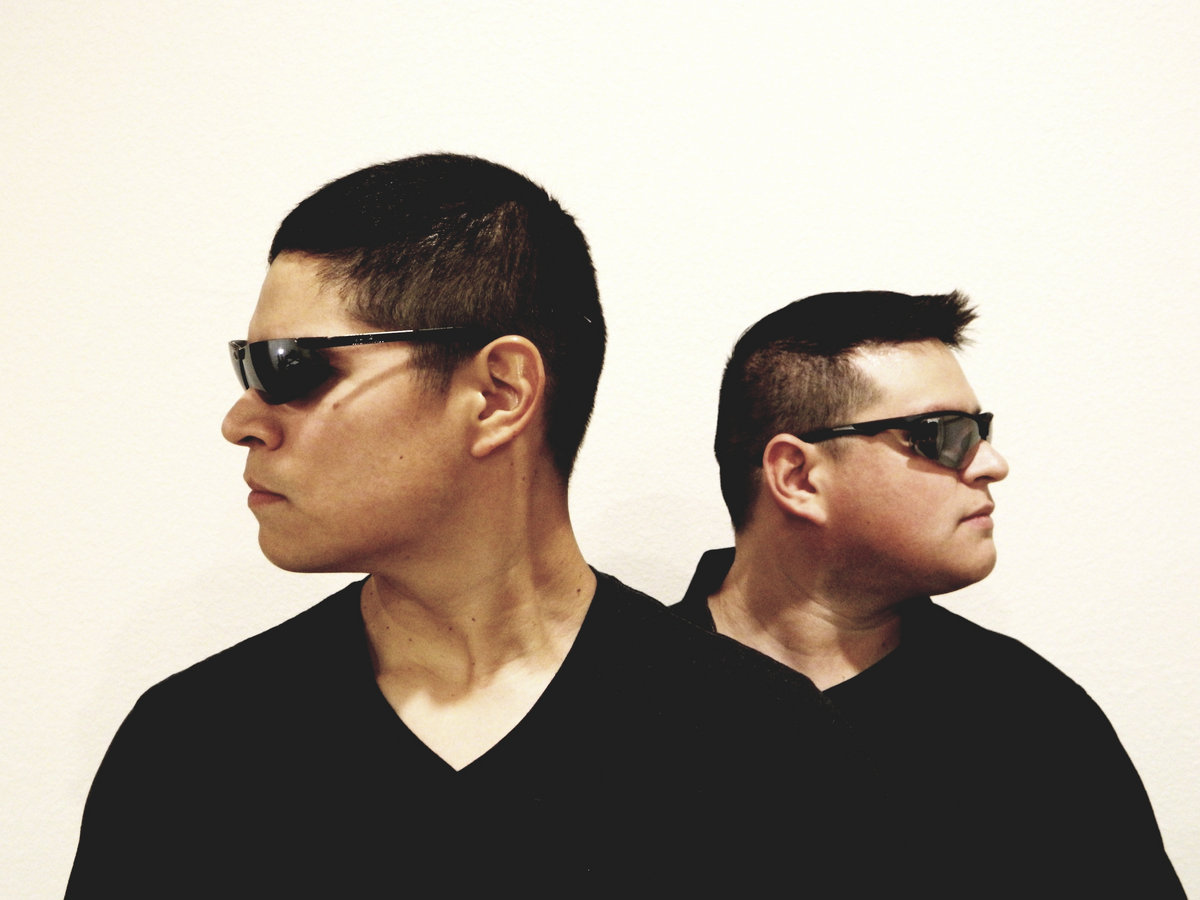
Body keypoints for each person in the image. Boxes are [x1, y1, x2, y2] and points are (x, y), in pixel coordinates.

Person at [66, 156, 884, 897]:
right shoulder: (194, 748)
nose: (242, 421)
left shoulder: (761, 750)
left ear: (498, 394)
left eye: (291, 367)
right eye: (246, 369)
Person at [672, 290, 1184, 898]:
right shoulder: (622, 702)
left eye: (981, 431)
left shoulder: (1031, 721)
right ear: (799, 477)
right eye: (943, 435)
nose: (992, 463)